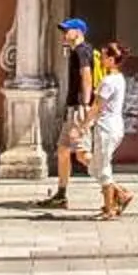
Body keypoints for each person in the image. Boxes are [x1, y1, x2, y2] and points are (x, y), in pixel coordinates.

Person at [38, 18, 93, 210]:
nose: (64, 34)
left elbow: (86, 76)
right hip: (73, 108)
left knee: (82, 154)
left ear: (78, 32)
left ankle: (115, 188)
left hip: (79, 108)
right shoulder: (76, 51)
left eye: (67, 30)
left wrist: (85, 104)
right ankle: (61, 195)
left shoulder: (81, 50)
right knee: (62, 150)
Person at [87, 43, 134, 220]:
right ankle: (121, 194)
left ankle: (109, 209)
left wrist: (84, 125)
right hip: (113, 126)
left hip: (106, 127)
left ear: (112, 60)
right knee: (95, 168)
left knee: (103, 168)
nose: (101, 59)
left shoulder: (107, 81)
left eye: (104, 56)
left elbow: (97, 106)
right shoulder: (119, 78)